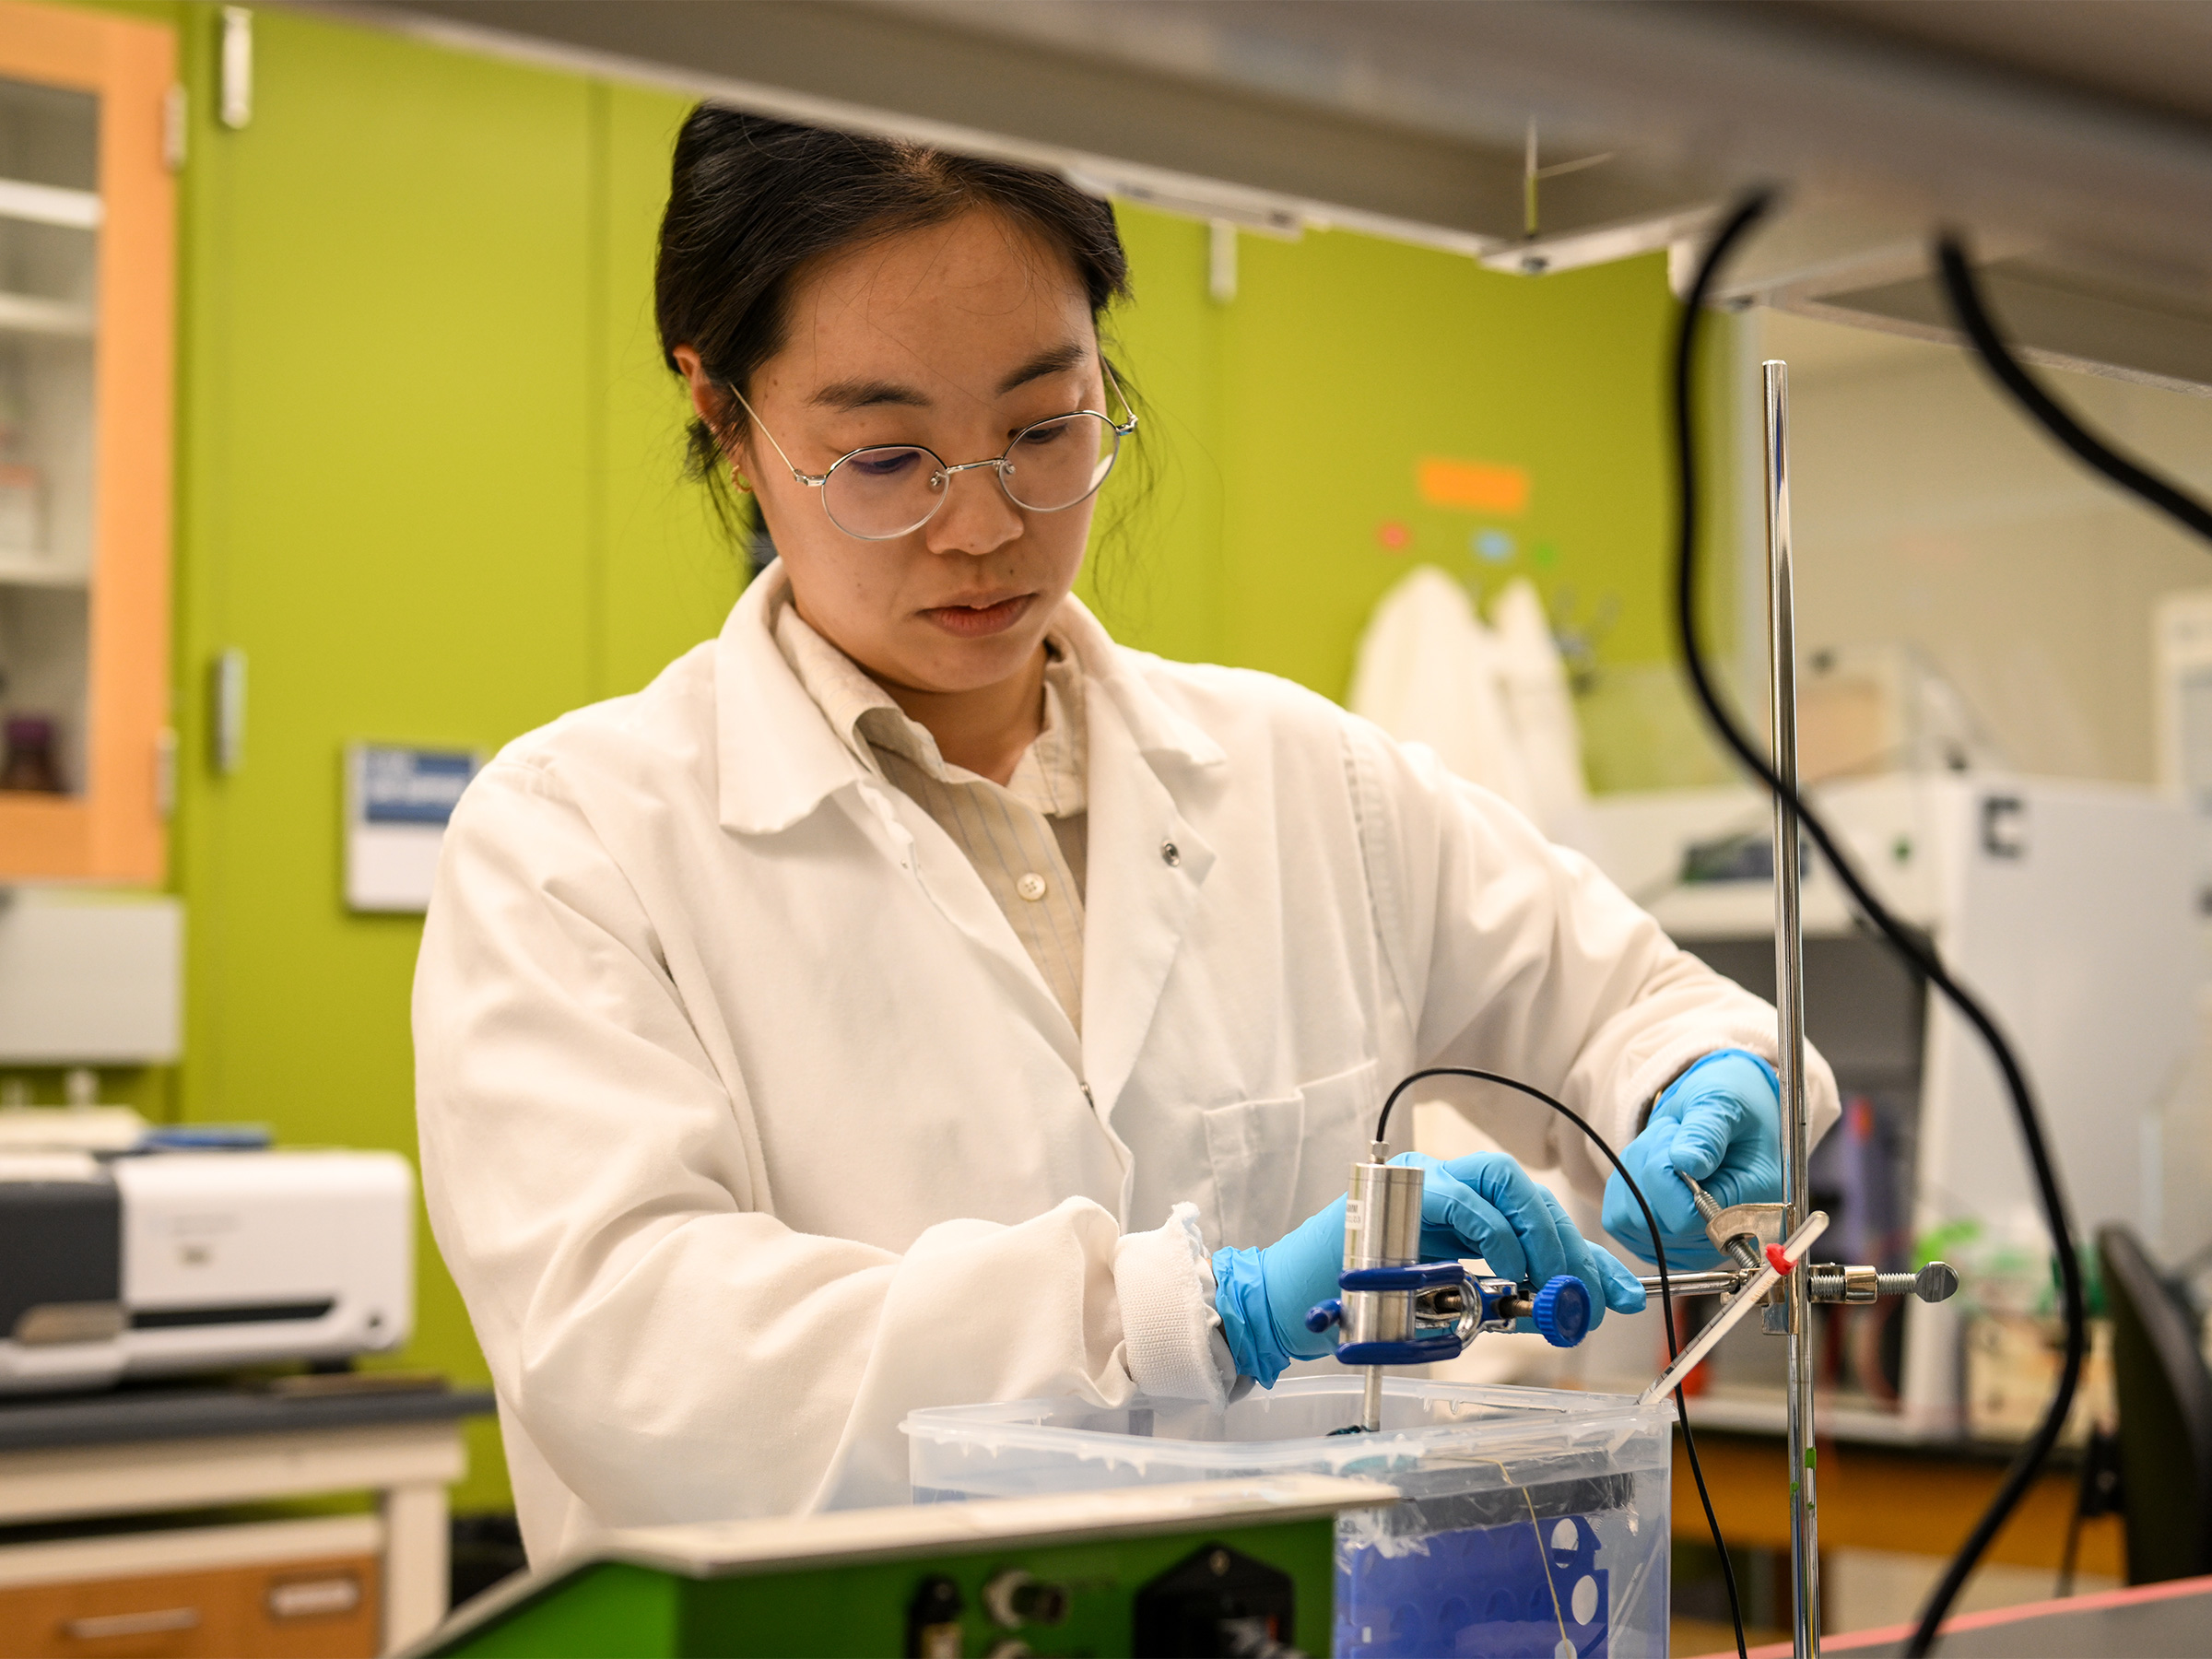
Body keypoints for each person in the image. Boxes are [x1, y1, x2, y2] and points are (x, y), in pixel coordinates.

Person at [413, 108, 1838, 1562]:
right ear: (725, 415)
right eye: (889, 456)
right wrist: (1180, 1317)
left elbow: (1659, 1011)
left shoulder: (1308, 780)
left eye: (1045, 427)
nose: (987, 529)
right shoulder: (574, 847)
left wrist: (1708, 1087)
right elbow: (645, 1366)